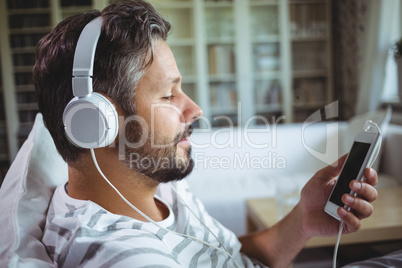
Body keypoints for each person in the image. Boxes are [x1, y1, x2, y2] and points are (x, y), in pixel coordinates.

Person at [33, 1, 379, 267]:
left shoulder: (153, 186)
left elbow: (229, 255)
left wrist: (303, 220)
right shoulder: (125, 257)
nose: (195, 110)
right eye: (168, 96)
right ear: (97, 123)